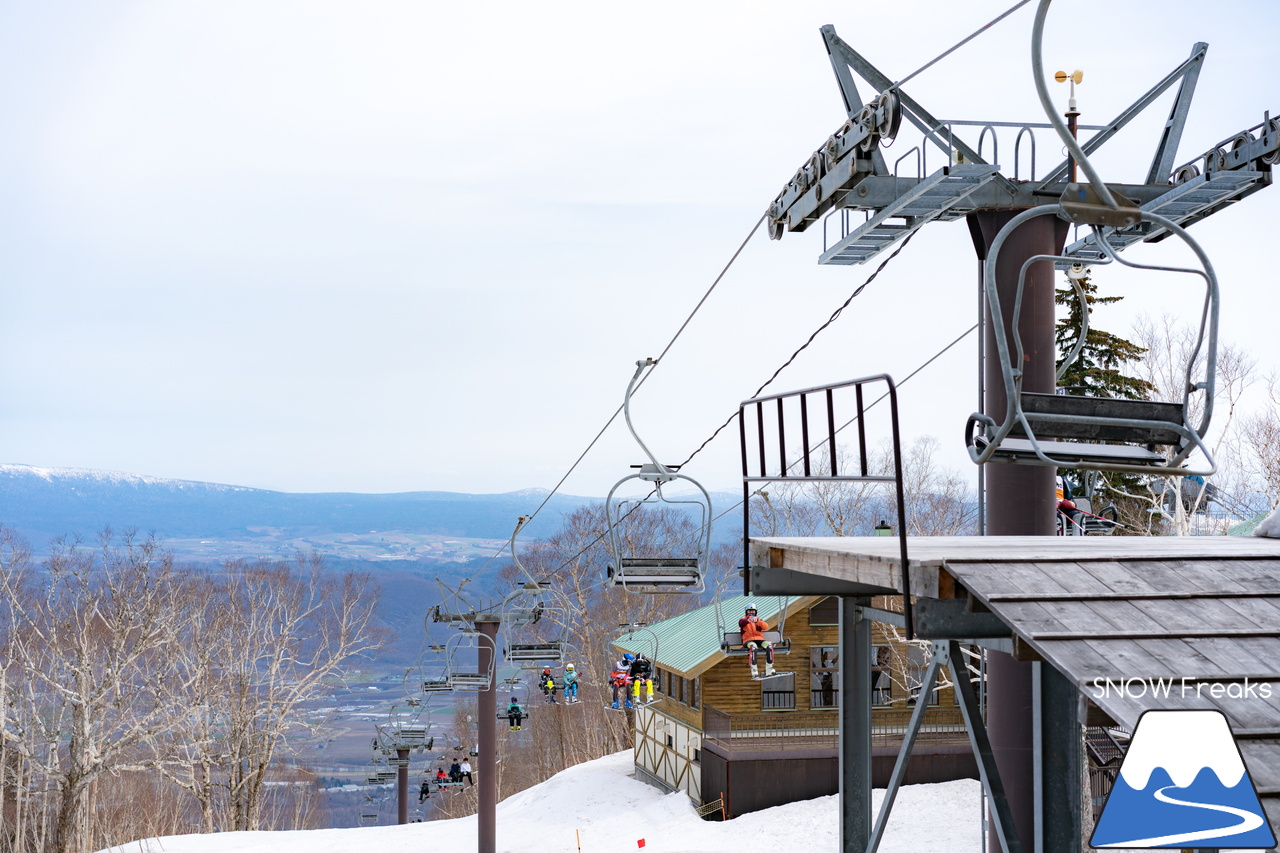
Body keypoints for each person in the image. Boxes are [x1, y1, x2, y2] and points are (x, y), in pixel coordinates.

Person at [739, 604, 776, 679]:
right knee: (753, 647)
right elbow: (741, 623)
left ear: (755, 612)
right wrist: (748, 620)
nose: (751, 613)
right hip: (748, 640)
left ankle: (769, 669)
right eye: (749, 611)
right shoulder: (743, 619)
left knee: (769, 645)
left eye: (753, 611)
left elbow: (766, 627)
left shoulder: (759, 620)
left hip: (759, 640)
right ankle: (754, 671)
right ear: (746, 612)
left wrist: (758, 621)